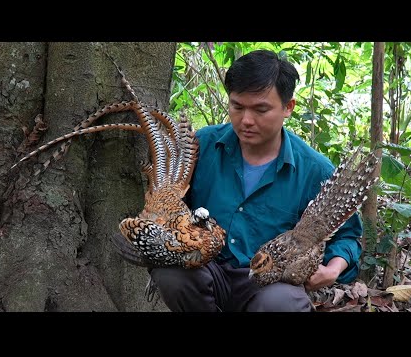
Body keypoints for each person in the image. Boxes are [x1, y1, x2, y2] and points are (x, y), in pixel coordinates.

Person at [150, 49, 363, 312]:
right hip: (207, 268)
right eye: (237, 107)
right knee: (172, 275)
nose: (246, 120)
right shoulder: (203, 145)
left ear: (288, 107)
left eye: (261, 109)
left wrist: (333, 268)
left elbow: (348, 235)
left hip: (270, 282)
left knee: (281, 303)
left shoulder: (314, 170)